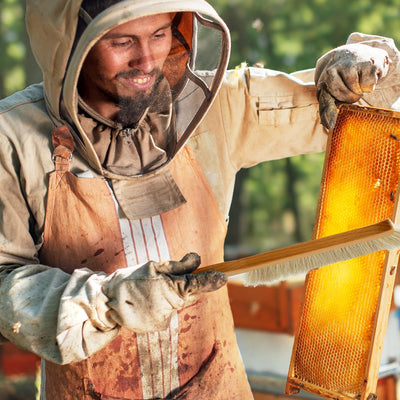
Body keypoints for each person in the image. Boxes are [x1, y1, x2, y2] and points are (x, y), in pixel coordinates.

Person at [0, 0, 399, 399]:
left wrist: (369, 66)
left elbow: (354, 110)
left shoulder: (218, 107)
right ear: (69, 43)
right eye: (122, 41)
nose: (146, 59)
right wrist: (108, 302)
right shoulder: (13, 138)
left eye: (159, 35)